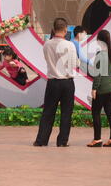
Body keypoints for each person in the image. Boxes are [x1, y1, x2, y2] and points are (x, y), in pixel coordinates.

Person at [33, 18, 79, 147]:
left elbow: (47, 59)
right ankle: (62, 141)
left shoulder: (47, 44)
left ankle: (41, 140)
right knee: (66, 113)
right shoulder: (70, 45)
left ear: (53, 29)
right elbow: (75, 63)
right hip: (67, 83)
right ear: (65, 30)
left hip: (53, 82)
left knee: (48, 111)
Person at [87, 30, 111, 148]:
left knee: (95, 112)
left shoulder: (99, 55)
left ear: (99, 41)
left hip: (102, 88)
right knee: (110, 113)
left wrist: (94, 88)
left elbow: (98, 74)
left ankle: (97, 139)